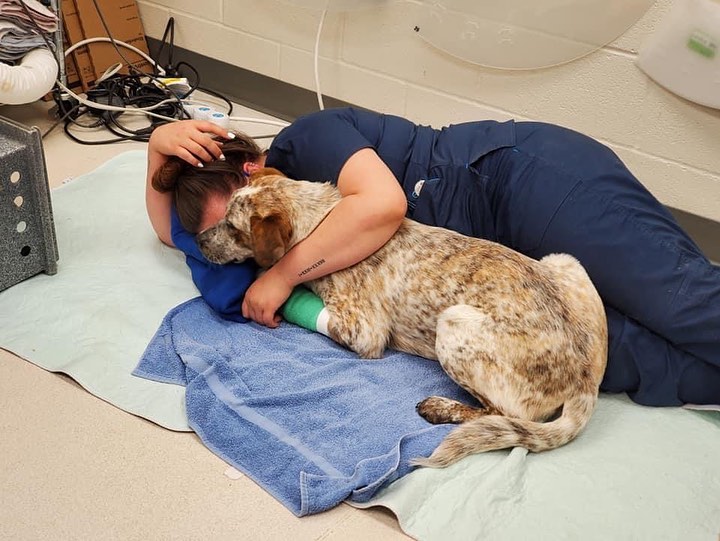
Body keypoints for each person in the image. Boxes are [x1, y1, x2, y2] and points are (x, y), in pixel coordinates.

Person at [145, 107, 720, 408]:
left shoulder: (306, 141)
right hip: (492, 275)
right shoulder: (264, 224)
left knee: (682, 305)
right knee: (613, 360)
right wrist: (156, 151)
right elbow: (173, 235)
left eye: (227, 224)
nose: (225, 243)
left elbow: (383, 205)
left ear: (250, 172)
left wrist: (280, 277)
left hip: (514, 182)